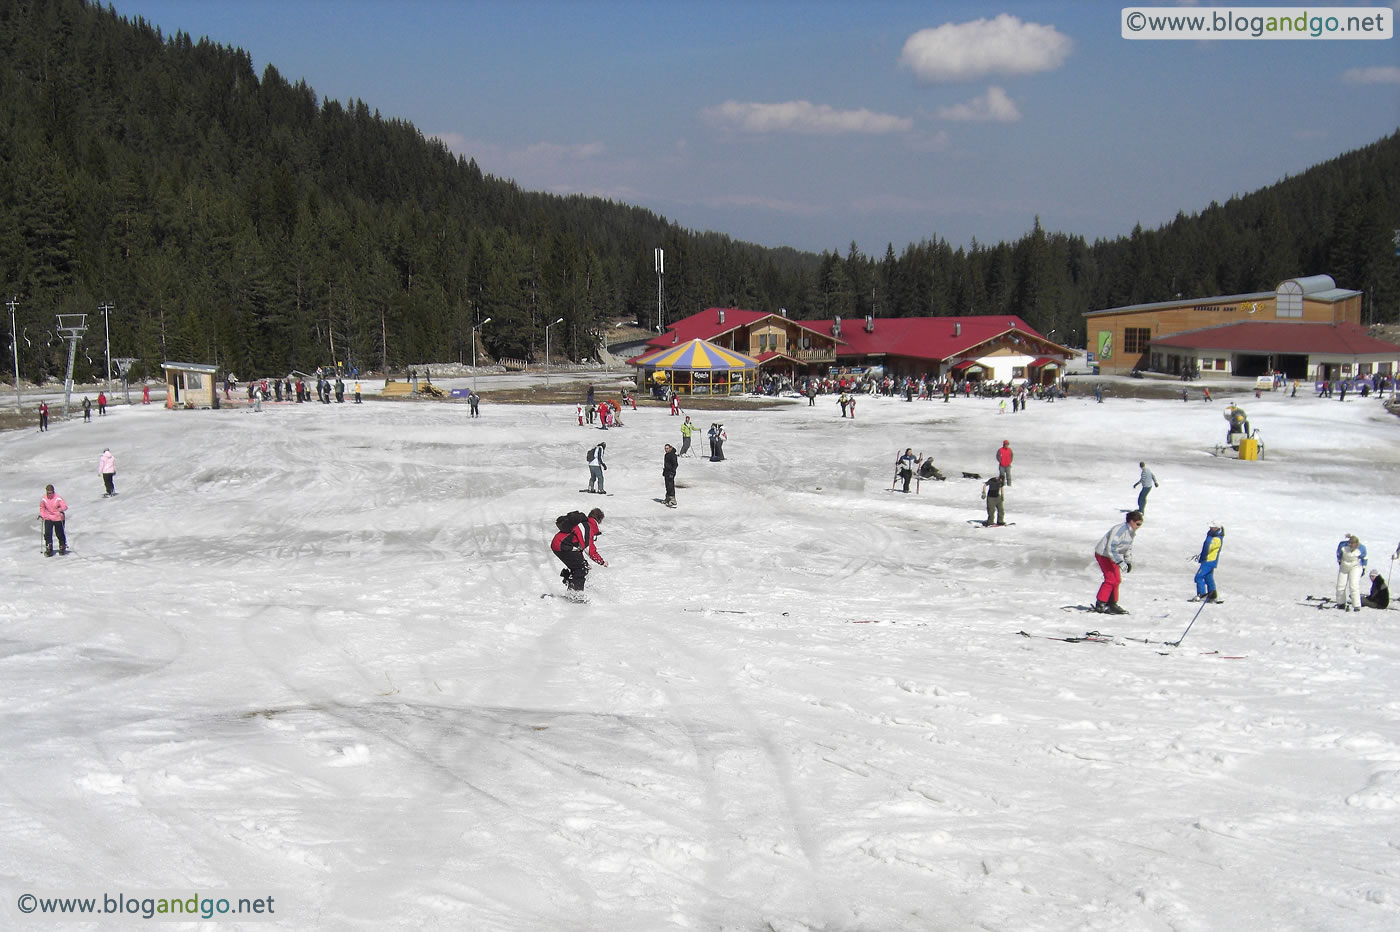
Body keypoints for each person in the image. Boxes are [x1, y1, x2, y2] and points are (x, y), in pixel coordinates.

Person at [1093, 511, 1143, 614]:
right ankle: (1101, 603)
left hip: (1112, 556)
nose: (1139, 527)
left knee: (1117, 579)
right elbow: (1111, 548)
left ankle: (1112, 603)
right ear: (1131, 521)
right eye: (1137, 524)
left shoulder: (1131, 532)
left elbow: (1127, 547)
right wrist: (1120, 562)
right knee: (1111, 579)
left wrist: (1128, 561)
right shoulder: (1119, 530)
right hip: (1104, 554)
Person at [551, 507, 606, 594]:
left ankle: (569, 582)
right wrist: (601, 562)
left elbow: (579, 546)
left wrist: (585, 562)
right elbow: (588, 548)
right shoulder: (586, 526)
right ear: (599, 520)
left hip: (562, 545)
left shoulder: (584, 524)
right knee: (581, 568)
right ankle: (576, 595)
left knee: (582, 566)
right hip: (562, 546)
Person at [1190, 521, 1224, 602]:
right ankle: (1212, 595)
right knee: (1209, 578)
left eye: (1212, 527)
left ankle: (1201, 594)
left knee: (1198, 577)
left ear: (1217, 528)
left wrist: (1209, 537)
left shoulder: (1216, 538)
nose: (1210, 529)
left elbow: (1208, 547)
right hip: (1209, 561)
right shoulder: (1214, 536)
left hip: (1208, 561)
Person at [1336, 534, 1367, 612]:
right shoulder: (1342, 545)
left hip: (1355, 567)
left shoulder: (1362, 548)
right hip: (1344, 566)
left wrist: (1364, 568)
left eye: (1354, 545)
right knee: (1341, 585)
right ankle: (1341, 603)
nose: (1352, 546)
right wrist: (1339, 561)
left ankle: (1356, 605)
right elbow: (1338, 553)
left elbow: (1365, 558)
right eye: (1351, 544)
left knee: (1353, 585)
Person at [39, 484, 68, 557]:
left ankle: (62, 545)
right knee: (48, 533)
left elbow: (64, 506)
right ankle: (49, 547)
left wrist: (60, 509)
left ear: (53, 492)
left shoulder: (58, 498)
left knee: (59, 533)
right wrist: (43, 515)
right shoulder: (44, 499)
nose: (49, 494)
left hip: (58, 518)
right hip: (48, 518)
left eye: (51, 492)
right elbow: (42, 507)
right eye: (48, 492)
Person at [662, 443, 678, 507]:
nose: (666, 450)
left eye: (667, 448)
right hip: (666, 472)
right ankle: (668, 498)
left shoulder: (673, 455)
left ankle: (673, 499)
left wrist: (672, 472)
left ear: (670, 448)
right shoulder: (666, 455)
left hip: (671, 472)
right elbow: (666, 464)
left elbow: (675, 464)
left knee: (670, 485)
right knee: (667, 485)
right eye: (665, 448)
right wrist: (664, 471)